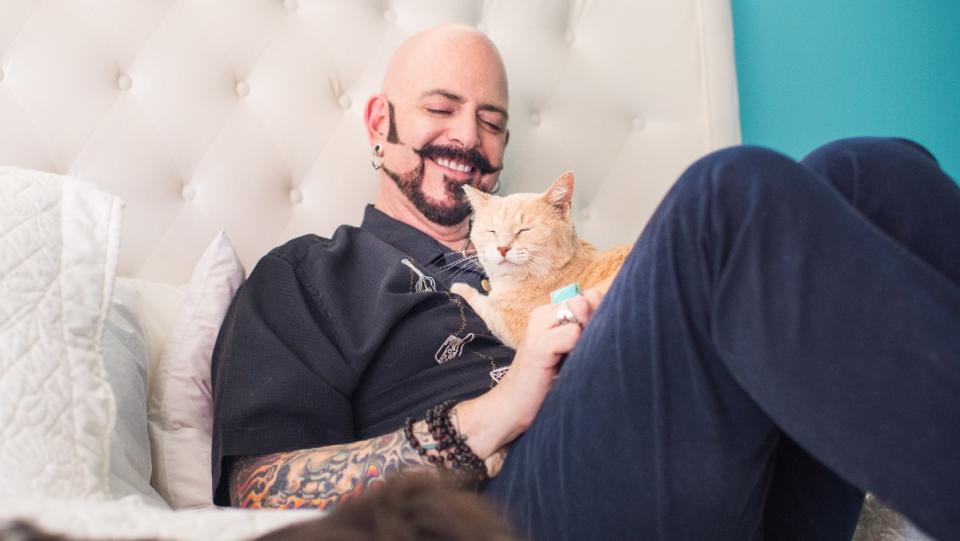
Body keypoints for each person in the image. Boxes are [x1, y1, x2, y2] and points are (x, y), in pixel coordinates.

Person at [210, 24, 960, 540]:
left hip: (714, 479)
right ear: (380, 121)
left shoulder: (546, 249)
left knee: (871, 171)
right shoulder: (313, 272)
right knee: (726, 195)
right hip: (511, 516)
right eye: (441, 109)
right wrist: (503, 407)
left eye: (492, 121)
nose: (469, 138)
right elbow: (255, 492)